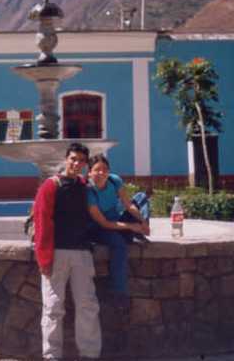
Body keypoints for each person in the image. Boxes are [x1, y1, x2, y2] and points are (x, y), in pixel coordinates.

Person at [32, 142, 102, 360]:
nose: (76, 163)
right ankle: (52, 355)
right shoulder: (50, 186)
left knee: (87, 305)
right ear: (66, 159)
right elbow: (41, 222)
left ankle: (89, 354)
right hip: (57, 253)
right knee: (53, 307)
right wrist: (44, 259)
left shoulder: (85, 185)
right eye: (73, 159)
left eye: (81, 160)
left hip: (81, 253)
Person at [86, 154, 151, 307]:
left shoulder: (114, 180)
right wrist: (130, 226)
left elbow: (129, 205)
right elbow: (103, 223)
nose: (101, 173)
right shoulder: (88, 191)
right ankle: (119, 292)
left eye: (105, 169)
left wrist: (142, 221)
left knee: (141, 197)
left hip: (117, 221)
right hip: (99, 228)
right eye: (97, 170)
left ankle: (138, 234)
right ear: (89, 172)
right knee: (119, 244)